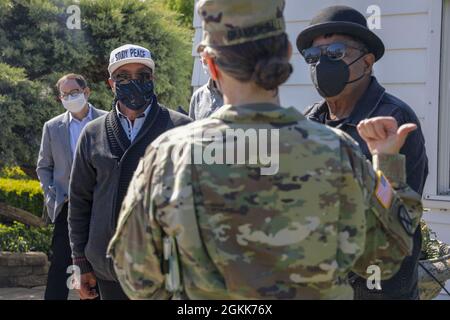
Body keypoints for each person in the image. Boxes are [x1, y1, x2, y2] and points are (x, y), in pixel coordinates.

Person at [108, 0, 423, 300]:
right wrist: (387, 169)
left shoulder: (167, 155)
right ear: (286, 53)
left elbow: (135, 275)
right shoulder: (338, 151)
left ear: (211, 66)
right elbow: (387, 255)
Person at [297, 5, 428, 300]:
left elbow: (401, 219)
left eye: (335, 53)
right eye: (313, 56)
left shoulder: (392, 122)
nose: (321, 64)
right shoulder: (309, 121)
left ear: (367, 62)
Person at [68, 44, 191, 300]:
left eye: (142, 75)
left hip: (167, 269)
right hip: (108, 270)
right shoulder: (93, 133)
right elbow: (80, 202)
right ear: (111, 83)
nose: (133, 82)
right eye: (123, 76)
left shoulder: (183, 130)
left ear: (152, 79)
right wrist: (80, 261)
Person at [36, 74, 107, 300]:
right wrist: (51, 194)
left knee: (98, 264)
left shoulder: (107, 121)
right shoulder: (52, 127)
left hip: (99, 205)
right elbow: (44, 166)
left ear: (86, 92)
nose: (69, 97)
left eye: (74, 93)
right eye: (64, 94)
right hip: (66, 204)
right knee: (60, 264)